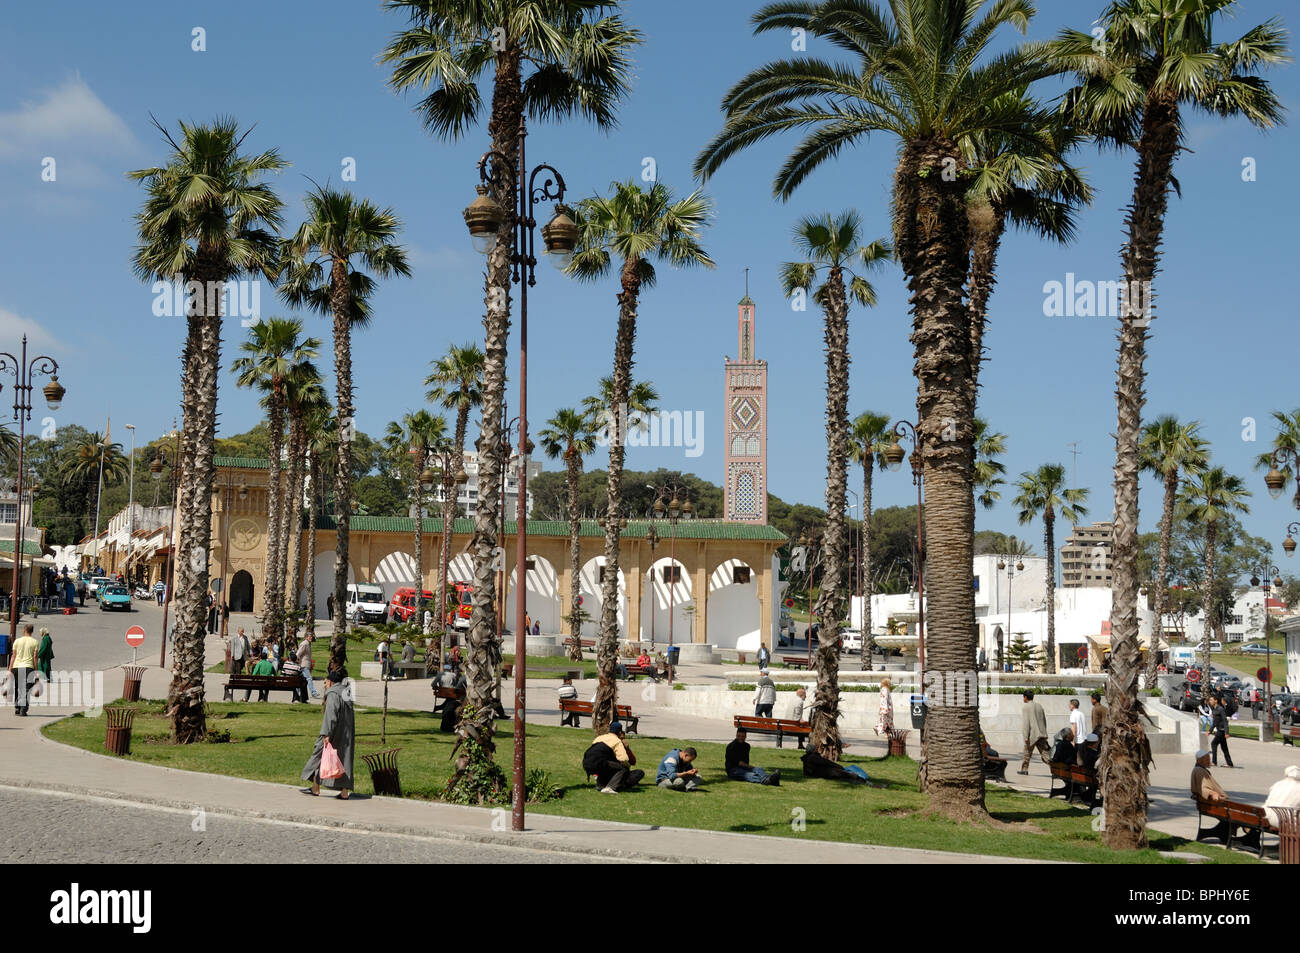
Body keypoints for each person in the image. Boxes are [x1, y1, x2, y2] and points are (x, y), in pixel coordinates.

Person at [301, 666, 355, 799]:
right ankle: (344, 792)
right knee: (345, 760)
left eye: (325, 682)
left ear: (331, 682)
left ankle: (316, 787)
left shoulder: (332, 694)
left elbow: (331, 715)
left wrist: (326, 734)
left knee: (318, 756)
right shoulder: (346, 693)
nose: (325, 685)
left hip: (332, 733)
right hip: (346, 733)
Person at [586, 721, 643, 794]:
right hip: (602, 764)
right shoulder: (617, 741)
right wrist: (627, 749)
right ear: (619, 733)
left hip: (588, 762)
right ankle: (611, 787)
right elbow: (626, 759)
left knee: (610, 766)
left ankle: (601, 785)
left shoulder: (599, 738)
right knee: (624, 768)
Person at [8, 623, 39, 716]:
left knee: (18, 687)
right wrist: (36, 670)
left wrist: (10, 668)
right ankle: (23, 709)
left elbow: (13, 655)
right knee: (26, 689)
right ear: (32, 631)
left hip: (17, 667)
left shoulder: (17, 641)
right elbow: (35, 657)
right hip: (28, 667)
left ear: (24, 630)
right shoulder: (35, 642)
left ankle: (17, 707)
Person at [1019, 690, 1051, 775]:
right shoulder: (1039, 706)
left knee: (1027, 753)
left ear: (1025, 697)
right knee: (1045, 754)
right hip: (1041, 733)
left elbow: (1026, 723)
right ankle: (1055, 769)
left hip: (1032, 735)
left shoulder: (1026, 707)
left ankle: (1024, 770)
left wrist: (1026, 737)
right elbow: (1044, 720)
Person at [1209, 694, 1234, 768]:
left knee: (1213, 743)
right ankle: (1229, 763)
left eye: (1211, 700)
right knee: (1224, 747)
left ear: (1216, 701)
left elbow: (1225, 721)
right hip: (1219, 730)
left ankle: (1214, 762)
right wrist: (1210, 731)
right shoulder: (1214, 709)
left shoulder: (1220, 709)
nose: (1210, 701)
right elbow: (1215, 722)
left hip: (1221, 730)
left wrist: (1227, 732)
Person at [297, 634, 320, 699]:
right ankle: (313, 693)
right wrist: (296, 662)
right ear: (306, 637)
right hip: (304, 664)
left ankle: (297, 692)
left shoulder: (308, 644)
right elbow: (298, 654)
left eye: (311, 636)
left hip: (306, 664)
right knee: (309, 678)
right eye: (309, 636)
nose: (311, 638)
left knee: (301, 679)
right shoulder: (304, 644)